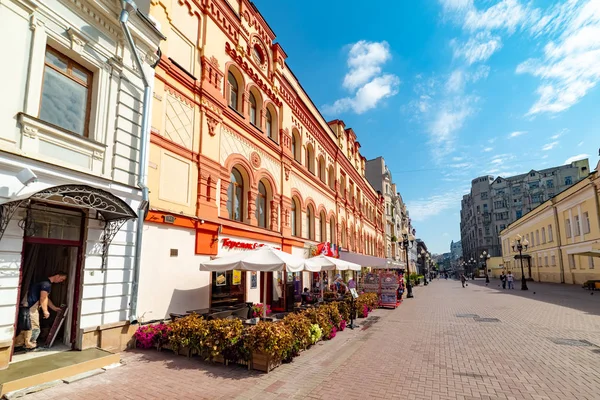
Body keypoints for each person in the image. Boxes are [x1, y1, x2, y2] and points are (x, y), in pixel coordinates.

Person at [15, 272, 67, 350]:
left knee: (26, 326)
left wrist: (54, 308)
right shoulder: (46, 284)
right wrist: (45, 311)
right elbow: (43, 298)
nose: (61, 281)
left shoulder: (43, 281)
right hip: (31, 306)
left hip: (27, 305)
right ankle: (29, 345)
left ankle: (18, 344)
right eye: (61, 279)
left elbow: (46, 298)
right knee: (34, 327)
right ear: (57, 276)